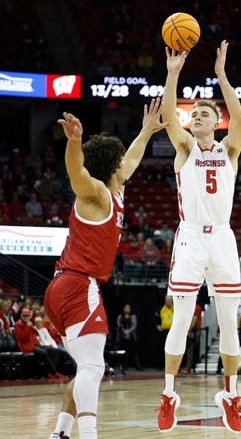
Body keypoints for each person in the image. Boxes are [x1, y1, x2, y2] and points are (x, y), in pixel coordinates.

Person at [44, 98, 169, 439]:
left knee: (85, 368)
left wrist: (145, 130)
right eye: (120, 162)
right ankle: (89, 435)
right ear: (113, 165)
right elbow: (76, 174)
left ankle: (60, 433)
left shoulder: (116, 187)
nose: (125, 166)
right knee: (93, 366)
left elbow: (132, 158)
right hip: (77, 284)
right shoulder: (96, 193)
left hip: (63, 287)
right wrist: (73, 144)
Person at [156, 40, 241, 434]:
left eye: (203, 114)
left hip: (223, 238)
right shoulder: (185, 149)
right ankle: (169, 397)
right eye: (193, 115)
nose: (195, 118)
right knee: (180, 322)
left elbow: (240, 117)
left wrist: (222, 76)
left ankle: (229, 396)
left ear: (216, 121)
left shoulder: (229, 150)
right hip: (191, 236)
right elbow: (168, 116)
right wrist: (173, 74)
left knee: (229, 324)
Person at [116, 303, 144, 370]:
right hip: (123, 336)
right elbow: (118, 324)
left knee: (134, 351)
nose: (127, 309)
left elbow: (134, 325)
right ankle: (123, 366)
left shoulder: (133, 316)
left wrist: (128, 332)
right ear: (123, 308)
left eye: (128, 308)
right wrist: (124, 332)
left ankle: (138, 366)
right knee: (123, 351)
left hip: (131, 336)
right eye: (126, 307)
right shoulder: (120, 316)